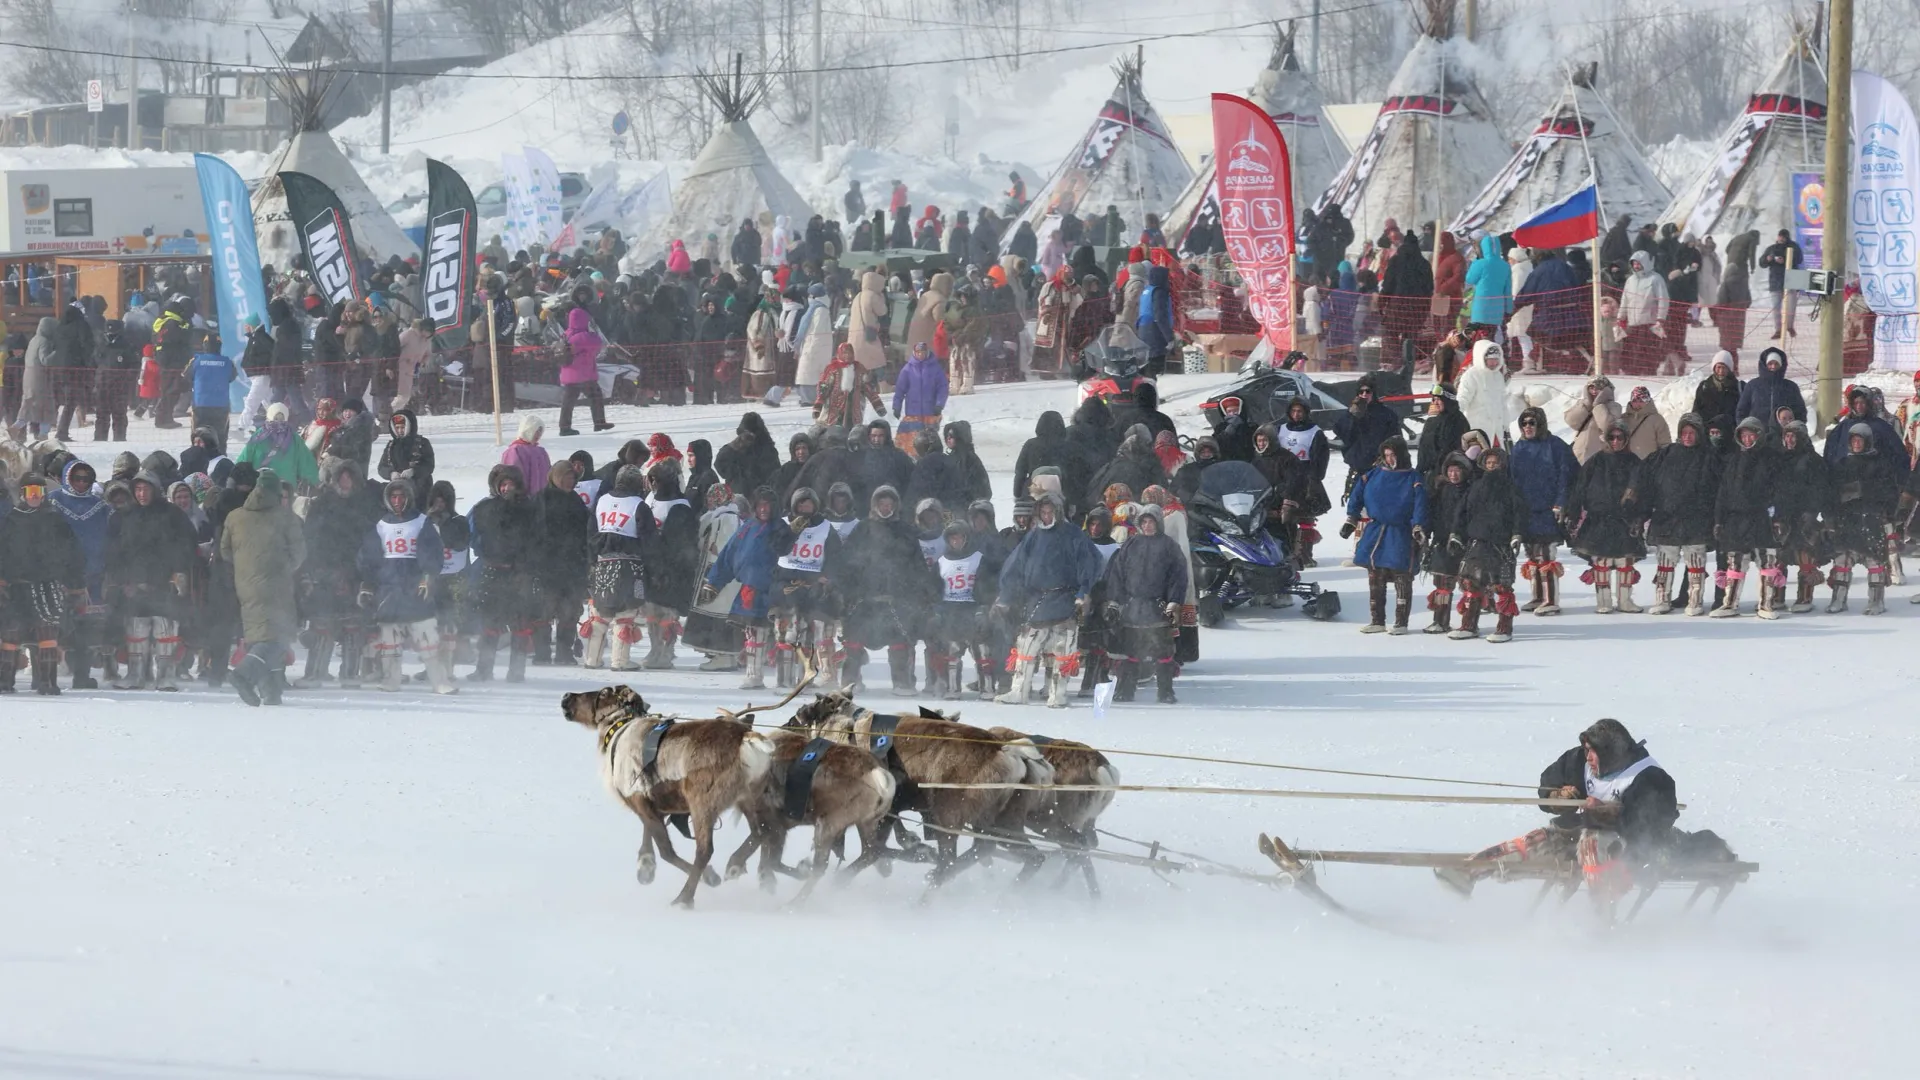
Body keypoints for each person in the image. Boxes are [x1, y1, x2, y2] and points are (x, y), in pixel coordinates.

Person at [1434, 719, 1681, 902]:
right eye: (1585, 750)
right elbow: (1547, 786)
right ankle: (1467, 872)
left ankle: (1602, 915)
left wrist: (1607, 812)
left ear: (1610, 752)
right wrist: (1556, 797)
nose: (1587, 758)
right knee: (1539, 838)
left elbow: (1650, 826)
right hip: (1581, 828)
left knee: (1592, 842)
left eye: (1592, 751)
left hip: (1626, 847)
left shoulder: (1648, 776)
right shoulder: (1578, 762)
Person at [993, 492, 1102, 708]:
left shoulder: (1073, 534)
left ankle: (1058, 694)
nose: (1046, 516)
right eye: (1042, 512)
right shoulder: (1034, 536)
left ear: (1058, 512)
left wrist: (1083, 592)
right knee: (1026, 646)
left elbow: (1090, 562)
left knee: (1063, 649)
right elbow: (1016, 565)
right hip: (1038, 600)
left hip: (1065, 599)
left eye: (1050, 512)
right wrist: (1006, 595)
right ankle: (1019, 691)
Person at [357, 479, 454, 692]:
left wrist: (428, 576)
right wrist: (367, 584)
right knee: (390, 640)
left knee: (427, 636)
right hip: (389, 590)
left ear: (408, 498)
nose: (398, 501)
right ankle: (391, 680)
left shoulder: (421, 522)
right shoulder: (381, 526)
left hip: (416, 588)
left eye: (401, 496)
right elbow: (370, 558)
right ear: (387, 499)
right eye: (393, 497)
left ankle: (440, 681)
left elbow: (433, 552)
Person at [104, 471, 198, 690]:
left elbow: (187, 544)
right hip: (134, 583)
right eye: (137, 489)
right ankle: (135, 675)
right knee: (136, 629)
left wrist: (179, 572)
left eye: (146, 489)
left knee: (165, 629)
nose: (142, 493)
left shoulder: (173, 514)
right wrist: (122, 579)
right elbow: (112, 551)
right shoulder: (123, 516)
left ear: (155, 490)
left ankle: (166, 676)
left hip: (166, 583)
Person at [220, 469, 305, 706]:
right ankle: (243, 674)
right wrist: (284, 568)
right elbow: (299, 552)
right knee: (278, 636)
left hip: (245, 585)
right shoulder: (286, 517)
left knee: (260, 637)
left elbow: (225, 551)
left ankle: (271, 693)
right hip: (276, 585)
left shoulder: (235, 516)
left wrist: (246, 568)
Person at [0, 473, 84, 694]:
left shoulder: (54, 519)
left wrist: (75, 582)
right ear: (22, 494)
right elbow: (3, 552)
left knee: (48, 633)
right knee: (11, 633)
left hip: (47, 585)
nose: (34, 497)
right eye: (30, 492)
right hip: (17, 586)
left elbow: (72, 553)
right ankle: (5, 682)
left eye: (39, 492)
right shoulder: (12, 519)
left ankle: (48, 682)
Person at [1631, 413, 1719, 615]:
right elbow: (1646, 480)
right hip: (1666, 518)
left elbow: (1718, 489)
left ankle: (1694, 601)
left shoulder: (1710, 456)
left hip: (1696, 520)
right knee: (1665, 563)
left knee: (1695, 564)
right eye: (1684, 432)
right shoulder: (1666, 453)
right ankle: (1662, 600)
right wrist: (1639, 508)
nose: (1688, 437)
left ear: (1699, 434)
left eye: (1692, 433)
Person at [1102, 502, 1187, 703]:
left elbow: (1179, 577)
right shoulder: (1131, 545)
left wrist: (1174, 602)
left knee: (1163, 652)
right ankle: (1126, 690)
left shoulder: (1170, 546)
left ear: (1159, 523)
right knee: (1131, 652)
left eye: (1151, 521)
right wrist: (1115, 602)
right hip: (1133, 608)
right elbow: (1117, 574)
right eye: (1144, 521)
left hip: (1159, 608)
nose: (1148, 525)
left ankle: (1166, 692)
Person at [703, 486, 785, 689]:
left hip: (776, 590)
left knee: (785, 635)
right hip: (750, 589)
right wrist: (714, 582)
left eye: (768, 505)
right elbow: (728, 555)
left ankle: (789, 677)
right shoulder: (747, 527)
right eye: (760, 505)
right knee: (753, 633)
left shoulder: (782, 528)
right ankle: (754, 675)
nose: (764, 509)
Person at [1344, 435, 1427, 634]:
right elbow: (1357, 495)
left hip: (1400, 533)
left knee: (1401, 577)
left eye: (1393, 455)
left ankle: (1401, 623)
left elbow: (1420, 504)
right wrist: (1351, 518)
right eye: (1386, 455)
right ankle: (1377, 620)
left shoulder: (1413, 478)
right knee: (1375, 576)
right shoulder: (1373, 475)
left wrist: (1418, 526)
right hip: (1376, 531)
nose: (1389, 459)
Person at [1446, 446, 1526, 643]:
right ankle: (1469, 625)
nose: (1491, 466)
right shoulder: (1476, 486)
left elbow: (1520, 512)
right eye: (1488, 463)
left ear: (1502, 465)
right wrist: (1456, 533)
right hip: (1477, 541)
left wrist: (1517, 533)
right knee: (1470, 583)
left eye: (1495, 463)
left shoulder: (1510, 487)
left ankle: (1504, 628)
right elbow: (1462, 512)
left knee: (1501, 585)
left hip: (1501, 543)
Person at [467, 464, 540, 681]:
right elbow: (472, 535)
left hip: (519, 574)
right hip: (492, 571)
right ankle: (484, 669)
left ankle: (517, 671)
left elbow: (538, 540)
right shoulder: (484, 508)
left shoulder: (530, 509)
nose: (507, 488)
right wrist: (487, 554)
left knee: (519, 622)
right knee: (491, 621)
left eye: (511, 484)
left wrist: (526, 565)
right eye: (503, 484)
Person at [1565, 423, 1646, 613]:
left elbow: (1643, 490)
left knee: (1625, 561)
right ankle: (1604, 601)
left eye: (1620, 437)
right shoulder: (1595, 461)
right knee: (1601, 562)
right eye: (1612, 437)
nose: (1616, 441)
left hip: (1625, 519)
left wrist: (1640, 515)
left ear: (1626, 439)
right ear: (1606, 439)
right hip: (1598, 518)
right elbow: (1579, 488)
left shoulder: (1634, 462)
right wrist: (1573, 514)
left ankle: (1625, 601)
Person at [1707, 417, 1781, 618]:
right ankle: (1730, 603)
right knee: (1736, 562)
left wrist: (1778, 517)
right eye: (1744, 435)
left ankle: (1766, 604)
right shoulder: (1734, 459)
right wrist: (1719, 519)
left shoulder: (1771, 458)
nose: (1747, 439)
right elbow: (1723, 491)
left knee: (1767, 561)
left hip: (1763, 517)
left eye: (1751, 435)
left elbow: (1779, 490)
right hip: (1736, 519)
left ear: (1759, 435)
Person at [1508, 407, 1579, 615]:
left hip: (1549, 509)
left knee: (1546, 554)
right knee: (1531, 554)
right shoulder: (1519, 448)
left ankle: (1550, 599)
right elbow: (1513, 479)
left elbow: (1567, 476)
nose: (1528, 427)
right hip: (1526, 509)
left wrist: (1561, 502)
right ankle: (1537, 595)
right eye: (1524, 423)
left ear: (1541, 424)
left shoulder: (1555, 446)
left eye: (1532, 423)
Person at [582, 464, 653, 671]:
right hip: (629, 565)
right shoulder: (639, 505)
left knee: (600, 611)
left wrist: (592, 559)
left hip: (602, 561)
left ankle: (592, 658)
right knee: (625, 610)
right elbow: (648, 539)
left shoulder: (602, 500)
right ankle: (620, 661)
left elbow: (590, 533)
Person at [1826, 422, 1901, 614]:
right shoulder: (1842, 464)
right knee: (1842, 560)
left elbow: (1890, 492)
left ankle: (1876, 600)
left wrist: (1864, 491)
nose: (1857, 443)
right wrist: (1832, 514)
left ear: (1867, 442)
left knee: (1874, 561)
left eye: (1860, 440)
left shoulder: (1880, 463)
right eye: (1853, 440)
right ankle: (1839, 598)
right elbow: (1832, 492)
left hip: (1872, 518)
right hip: (1847, 518)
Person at [770, 486, 840, 687]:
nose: (805, 506)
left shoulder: (826, 527)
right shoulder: (784, 523)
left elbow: (836, 556)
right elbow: (776, 549)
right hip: (786, 582)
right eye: (801, 503)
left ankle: (806, 678)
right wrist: (792, 531)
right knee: (786, 632)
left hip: (813, 583)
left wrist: (828, 576)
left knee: (808, 633)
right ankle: (784, 680)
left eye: (808, 503)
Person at [531, 460, 593, 664]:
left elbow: (586, 530)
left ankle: (564, 652)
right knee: (543, 610)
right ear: (555, 478)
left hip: (572, 566)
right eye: (565, 477)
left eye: (572, 478)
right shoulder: (541, 499)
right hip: (546, 566)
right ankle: (541, 652)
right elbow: (533, 531)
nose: (570, 481)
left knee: (569, 611)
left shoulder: (576, 501)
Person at [642, 462, 699, 669]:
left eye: (657, 480)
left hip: (672, 570)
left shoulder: (680, 506)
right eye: (652, 480)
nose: (653, 484)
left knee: (668, 615)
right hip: (651, 566)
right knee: (651, 612)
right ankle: (654, 648)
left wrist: (666, 568)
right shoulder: (650, 499)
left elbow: (680, 544)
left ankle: (666, 651)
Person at [1771, 420, 1829, 612]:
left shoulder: (1813, 460)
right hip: (1782, 514)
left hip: (1805, 515)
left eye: (1792, 436)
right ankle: (1776, 597)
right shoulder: (1778, 459)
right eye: (1786, 436)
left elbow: (1820, 489)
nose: (1789, 440)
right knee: (1779, 557)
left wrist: (1812, 511)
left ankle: (1805, 597)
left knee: (1805, 555)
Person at [1275, 397, 1332, 567]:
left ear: (1306, 412)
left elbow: (1321, 458)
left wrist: (1314, 479)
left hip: (1306, 477)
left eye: (1300, 411)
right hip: (1283, 478)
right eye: (1293, 411)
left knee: (1306, 519)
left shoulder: (1315, 432)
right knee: (1285, 519)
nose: (1296, 414)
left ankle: (1305, 555)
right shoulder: (1280, 429)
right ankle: (1288, 553)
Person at [1421, 452, 1474, 634]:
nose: (1453, 475)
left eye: (1457, 471)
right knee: (1442, 584)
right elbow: (1432, 514)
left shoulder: (1472, 490)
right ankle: (1440, 621)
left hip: (1466, 543)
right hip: (1442, 541)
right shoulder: (1441, 490)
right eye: (1450, 471)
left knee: (1470, 584)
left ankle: (1468, 623)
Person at [1333, 375, 1404, 505]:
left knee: (1377, 510)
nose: (1364, 394)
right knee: (1356, 512)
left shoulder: (1386, 414)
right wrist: (1352, 416)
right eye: (1361, 391)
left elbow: (1397, 441)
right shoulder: (1351, 412)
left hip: (1380, 470)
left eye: (1368, 391)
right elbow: (1340, 431)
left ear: (1374, 393)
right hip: (1357, 470)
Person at [237, 402, 319, 491]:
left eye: (281, 418)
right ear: (270, 417)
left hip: (285, 489)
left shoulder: (293, 439)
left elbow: (305, 461)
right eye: (276, 418)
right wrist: (237, 476)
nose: (278, 421)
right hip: (261, 485)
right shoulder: (259, 438)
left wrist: (314, 481)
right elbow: (245, 459)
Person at [558, 304, 612, 436]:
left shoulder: (566, 334)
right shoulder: (583, 336)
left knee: (568, 402)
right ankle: (599, 422)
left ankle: (564, 427)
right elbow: (599, 342)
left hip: (569, 373)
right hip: (584, 375)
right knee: (596, 397)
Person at [1616, 252, 1668, 377]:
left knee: (1648, 350)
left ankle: (1650, 371)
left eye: (1638, 263)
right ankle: (1634, 372)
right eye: (1634, 263)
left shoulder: (1655, 279)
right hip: (1633, 323)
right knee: (1633, 350)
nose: (1636, 266)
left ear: (1645, 263)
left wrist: (1661, 318)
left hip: (1649, 322)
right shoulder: (1630, 280)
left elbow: (1663, 299)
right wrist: (1620, 316)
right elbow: (1625, 299)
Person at [892, 342, 949, 454]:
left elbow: (943, 388)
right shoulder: (907, 370)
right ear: (914, 353)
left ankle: (931, 458)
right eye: (918, 352)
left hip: (931, 412)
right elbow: (900, 390)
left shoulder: (935, 369)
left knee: (930, 439)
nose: (920, 355)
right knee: (912, 440)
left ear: (927, 352)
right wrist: (896, 406)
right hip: (913, 413)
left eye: (922, 352)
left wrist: (939, 404)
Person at [1734, 347, 1806, 433]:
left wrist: (1794, 431)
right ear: (1764, 364)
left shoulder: (1791, 387)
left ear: (1782, 365)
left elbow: (1800, 412)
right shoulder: (1752, 385)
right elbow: (1741, 411)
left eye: (1776, 364)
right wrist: (1746, 430)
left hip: (1783, 437)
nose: (1773, 366)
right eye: (1770, 363)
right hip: (1757, 435)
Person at [376, 408, 435, 510]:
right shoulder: (391, 446)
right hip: (397, 490)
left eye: (403, 427)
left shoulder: (422, 443)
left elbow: (429, 465)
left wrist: (414, 471)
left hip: (420, 490)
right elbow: (381, 467)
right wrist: (391, 473)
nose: (400, 431)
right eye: (397, 428)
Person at [1456, 340, 1510, 445]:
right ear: (1482, 358)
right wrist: (1455, 419)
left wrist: (1506, 424)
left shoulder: (1498, 376)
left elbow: (1503, 403)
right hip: (1477, 428)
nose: (1494, 363)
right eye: (1490, 359)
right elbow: (1463, 399)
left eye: (1496, 359)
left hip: (1497, 429)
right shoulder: (1471, 375)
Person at [187, 332, 235, 443]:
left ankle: (198, 457)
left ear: (205, 345)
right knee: (220, 437)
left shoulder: (196, 361)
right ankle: (220, 457)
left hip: (200, 404)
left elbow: (187, 376)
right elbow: (232, 377)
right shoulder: (227, 362)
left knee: (198, 436)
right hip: (221, 405)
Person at [1564, 376, 1623, 464]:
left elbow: (1608, 427)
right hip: (1578, 454)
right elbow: (1571, 421)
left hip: (1599, 457)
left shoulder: (1614, 406)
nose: (1594, 391)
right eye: (1591, 388)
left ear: (1606, 390)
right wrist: (1586, 405)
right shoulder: (1583, 403)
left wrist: (1598, 406)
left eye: (1598, 388)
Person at [1760, 228, 1802, 339]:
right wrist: (1768, 259)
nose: (1781, 238)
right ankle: (1778, 329)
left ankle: (1790, 327)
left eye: (1783, 236)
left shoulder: (1794, 246)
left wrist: (1786, 259)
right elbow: (1762, 263)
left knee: (1791, 306)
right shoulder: (1771, 248)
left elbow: (1800, 259)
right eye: (1780, 236)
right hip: (1775, 279)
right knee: (1776, 307)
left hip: (1793, 278)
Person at [501, 414, 551, 491]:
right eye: (535, 431)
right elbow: (511, 478)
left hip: (542, 499)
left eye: (540, 431)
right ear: (527, 430)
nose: (538, 434)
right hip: (522, 499)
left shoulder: (541, 452)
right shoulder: (514, 451)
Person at [1621, 386, 1671, 458]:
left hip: (1649, 466)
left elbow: (1665, 446)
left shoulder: (1657, 420)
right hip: (1627, 466)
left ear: (1647, 401)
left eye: (1641, 401)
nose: (1638, 404)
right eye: (1635, 400)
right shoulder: (1623, 419)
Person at [1212, 395, 1256, 462]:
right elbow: (1216, 445)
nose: (1232, 414)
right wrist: (1228, 432)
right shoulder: (1220, 428)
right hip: (1228, 464)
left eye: (1235, 410)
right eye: (1229, 411)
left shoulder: (1251, 427)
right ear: (1225, 413)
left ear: (1241, 410)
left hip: (1250, 464)